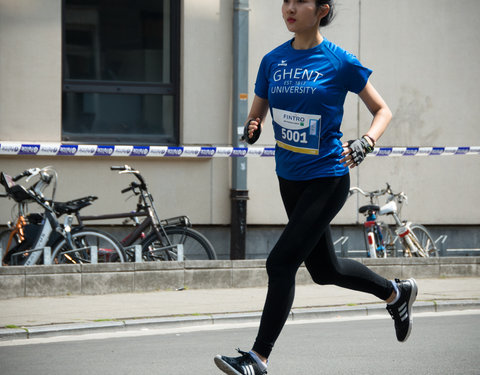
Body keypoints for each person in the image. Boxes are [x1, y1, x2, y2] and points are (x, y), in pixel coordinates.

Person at [214, 1, 417, 374]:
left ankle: (257, 359)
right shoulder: (272, 61)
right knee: (325, 270)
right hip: (289, 178)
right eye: (286, 1)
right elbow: (256, 112)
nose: (289, 8)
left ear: (321, 10)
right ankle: (396, 293)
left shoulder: (339, 61)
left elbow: (382, 110)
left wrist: (367, 142)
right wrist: (253, 127)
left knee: (280, 263)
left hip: (327, 177)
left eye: (299, 2)